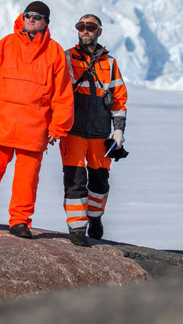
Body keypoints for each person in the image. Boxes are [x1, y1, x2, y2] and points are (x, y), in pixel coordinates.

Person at [0, 1, 74, 239]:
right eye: (28, 15)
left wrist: (59, 126)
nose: (31, 19)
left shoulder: (55, 51)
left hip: (34, 128)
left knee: (27, 180)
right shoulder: (5, 44)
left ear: (46, 22)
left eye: (37, 16)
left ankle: (20, 220)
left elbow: (62, 93)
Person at [60, 14, 128, 246]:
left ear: (99, 31)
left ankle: (95, 218)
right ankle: (77, 228)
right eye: (81, 26)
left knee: (100, 182)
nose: (85, 31)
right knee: (75, 181)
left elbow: (119, 100)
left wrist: (118, 132)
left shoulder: (110, 63)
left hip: (100, 134)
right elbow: (57, 95)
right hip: (74, 132)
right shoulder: (67, 58)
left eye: (90, 27)